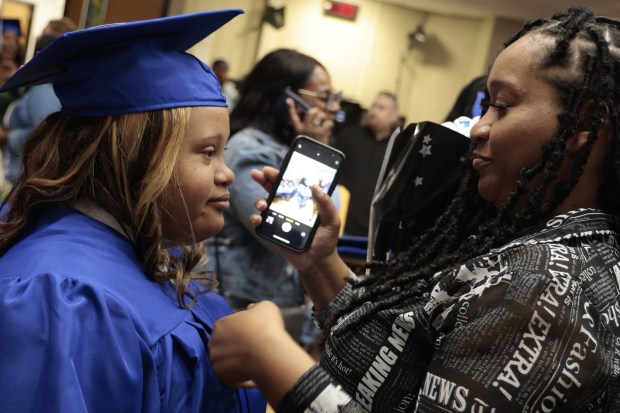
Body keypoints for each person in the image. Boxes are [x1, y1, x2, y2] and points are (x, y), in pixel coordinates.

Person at [208, 6, 620, 412]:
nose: (478, 127)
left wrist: (273, 358)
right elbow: (394, 374)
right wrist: (319, 264)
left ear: (583, 125)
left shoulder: (546, 282)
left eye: (504, 105)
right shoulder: (546, 245)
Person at [0, 9, 266, 413]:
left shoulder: (150, 252)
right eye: (208, 152)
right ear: (134, 159)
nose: (227, 173)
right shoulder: (64, 300)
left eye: (223, 152)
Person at [201, 48, 341, 345]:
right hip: (241, 306)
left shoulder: (287, 150)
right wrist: (319, 147)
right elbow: (298, 236)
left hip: (272, 304)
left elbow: (327, 230)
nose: (333, 108)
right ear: (287, 100)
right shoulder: (251, 151)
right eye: (324, 97)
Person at [2, 19, 76, 185]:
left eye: (45, 36)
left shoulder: (46, 89)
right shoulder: (45, 85)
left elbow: (43, 132)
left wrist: (8, 136)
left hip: (22, 178)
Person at [333, 91, 400, 236]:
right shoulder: (348, 135)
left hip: (374, 232)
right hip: (341, 223)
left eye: (381, 108)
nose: (374, 112)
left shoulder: (399, 148)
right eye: (373, 106)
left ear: (394, 116)